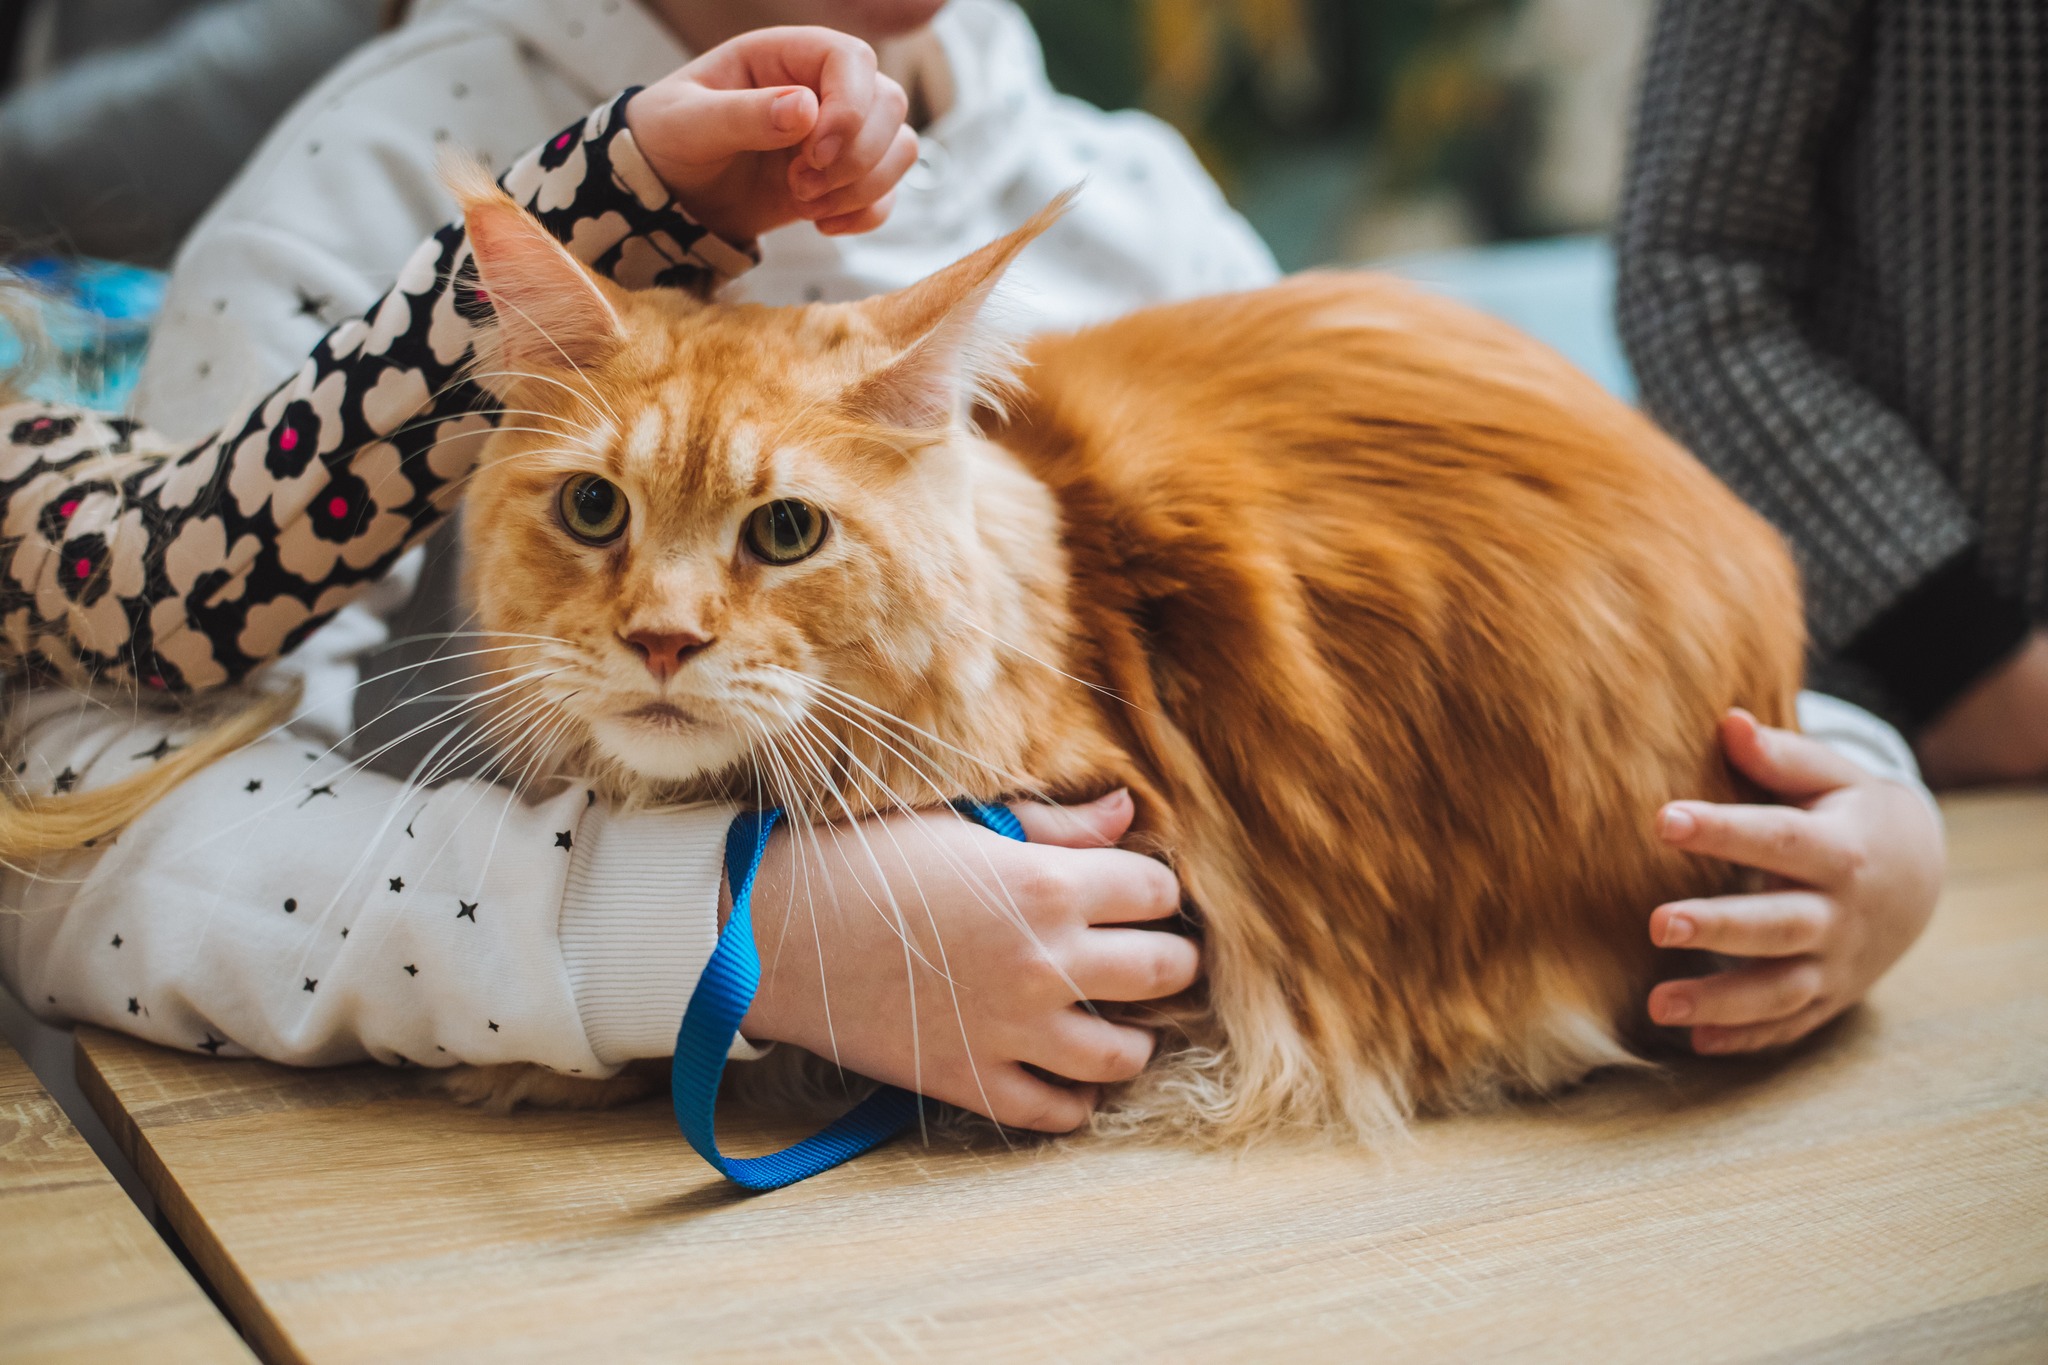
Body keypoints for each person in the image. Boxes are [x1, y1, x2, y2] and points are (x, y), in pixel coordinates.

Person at [1, 20, 1196, 1134]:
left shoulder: (1135, 197)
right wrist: (729, 929)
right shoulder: (367, 168)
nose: (666, 623)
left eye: (779, 534)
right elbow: (65, 840)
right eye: (591, 507)